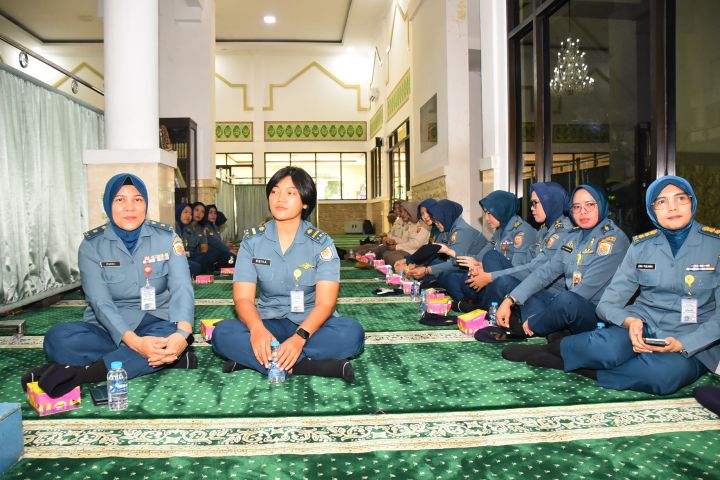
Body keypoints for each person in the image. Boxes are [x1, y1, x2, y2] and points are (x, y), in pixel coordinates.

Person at [520, 176, 719, 395]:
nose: (672, 207)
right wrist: (630, 322)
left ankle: (579, 366)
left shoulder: (715, 246)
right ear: (652, 209)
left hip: (692, 337)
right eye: (662, 202)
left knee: (663, 376)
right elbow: (608, 304)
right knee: (604, 349)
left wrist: (683, 343)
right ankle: (556, 349)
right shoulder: (641, 247)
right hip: (643, 325)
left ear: (692, 201)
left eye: (680, 198)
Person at [22, 173, 197, 398]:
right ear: (108, 205)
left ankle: (80, 374)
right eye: (120, 200)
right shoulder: (92, 245)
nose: (129, 207)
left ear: (145, 204)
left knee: (171, 338)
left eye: (137, 199)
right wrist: (134, 343)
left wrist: (182, 334)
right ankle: (163, 359)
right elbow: (100, 302)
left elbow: (182, 287)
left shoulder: (166, 238)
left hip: (158, 321)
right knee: (57, 340)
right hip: (107, 328)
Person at [212, 166, 365, 382]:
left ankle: (260, 360)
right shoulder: (252, 241)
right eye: (275, 191)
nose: (280, 198)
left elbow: (326, 303)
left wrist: (300, 337)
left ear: (305, 202)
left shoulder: (321, 243)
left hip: (312, 325)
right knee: (222, 333)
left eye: (290, 192)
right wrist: (257, 330)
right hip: (269, 322)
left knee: (352, 332)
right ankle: (309, 365)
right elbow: (243, 298)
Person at [484, 184, 630, 343]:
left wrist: (537, 321)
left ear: (601, 205)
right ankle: (549, 334)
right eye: (576, 206)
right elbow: (545, 272)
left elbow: (583, 293)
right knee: (521, 289)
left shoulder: (613, 241)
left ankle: (538, 331)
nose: (583, 211)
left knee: (566, 300)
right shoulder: (573, 237)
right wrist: (510, 300)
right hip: (566, 307)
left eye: (589, 205)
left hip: (596, 316)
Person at [441, 190, 539, 302]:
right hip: (492, 278)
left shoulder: (523, 232)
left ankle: (487, 304)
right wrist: (475, 265)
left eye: (489, 213)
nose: (487, 219)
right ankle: (470, 304)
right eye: (485, 213)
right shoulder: (499, 231)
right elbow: (479, 257)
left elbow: (517, 270)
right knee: (451, 278)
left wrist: (484, 269)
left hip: (510, 283)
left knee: (491, 257)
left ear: (502, 210)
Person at [405, 199, 487, 286]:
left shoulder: (462, 231)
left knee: (448, 276)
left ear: (446, 216)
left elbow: (456, 263)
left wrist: (426, 270)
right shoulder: (447, 228)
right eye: (434, 221)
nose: (436, 224)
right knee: (434, 265)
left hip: (477, 269)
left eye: (437, 220)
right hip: (462, 266)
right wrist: (417, 264)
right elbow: (434, 252)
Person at [381, 200, 431, 268]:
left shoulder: (423, 225)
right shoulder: (410, 223)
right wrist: (393, 241)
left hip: (414, 253)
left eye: (406, 211)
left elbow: (416, 244)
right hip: (407, 250)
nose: (402, 214)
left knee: (390, 257)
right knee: (386, 254)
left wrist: (396, 247)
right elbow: (405, 240)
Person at [175, 203, 202, 276]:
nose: (188, 216)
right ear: (179, 212)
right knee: (196, 267)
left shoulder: (185, 228)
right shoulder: (174, 227)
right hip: (174, 260)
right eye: (185, 212)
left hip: (184, 256)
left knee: (202, 258)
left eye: (190, 214)